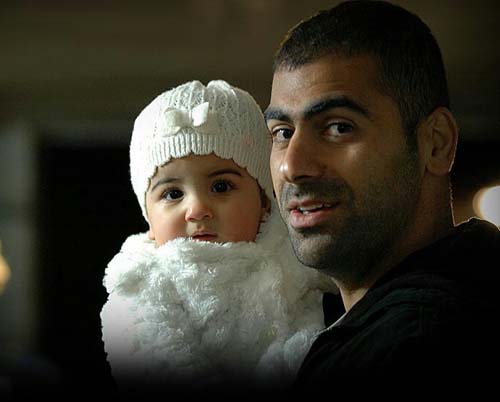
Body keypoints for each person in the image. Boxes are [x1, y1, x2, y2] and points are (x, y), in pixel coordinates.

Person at [265, 0, 500, 391]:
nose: (292, 165)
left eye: (339, 127)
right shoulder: (347, 327)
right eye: (283, 133)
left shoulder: (421, 346)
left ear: (436, 143)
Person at [100, 80, 335, 395]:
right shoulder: (140, 284)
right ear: (149, 218)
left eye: (221, 187)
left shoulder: (298, 260)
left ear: (264, 200)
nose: (197, 209)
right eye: (172, 194)